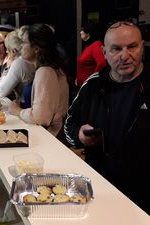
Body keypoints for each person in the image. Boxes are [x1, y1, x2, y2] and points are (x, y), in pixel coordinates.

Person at [64, 21, 150, 214]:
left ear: (142, 47)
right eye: (116, 49)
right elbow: (69, 123)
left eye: (132, 47)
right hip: (100, 187)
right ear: (104, 52)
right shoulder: (93, 85)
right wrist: (79, 134)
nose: (125, 56)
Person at [8, 23, 69, 139]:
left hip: (49, 138)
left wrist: (18, 111)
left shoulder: (45, 72)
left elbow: (40, 118)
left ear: (36, 48)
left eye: (25, 42)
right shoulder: (53, 68)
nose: (21, 46)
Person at [0, 29, 35, 107]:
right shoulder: (32, 57)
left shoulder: (20, 62)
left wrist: (7, 67)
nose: (7, 53)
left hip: (26, 106)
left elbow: (2, 91)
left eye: (7, 50)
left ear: (14, 51)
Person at [76, 22, 107, 87]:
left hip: (89, 88)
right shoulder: (88, 46)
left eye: (82, 30)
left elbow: (102, 63)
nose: (80, 32)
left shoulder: (96, 45)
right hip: (84, 86)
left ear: (88, 32)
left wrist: (91, 80)